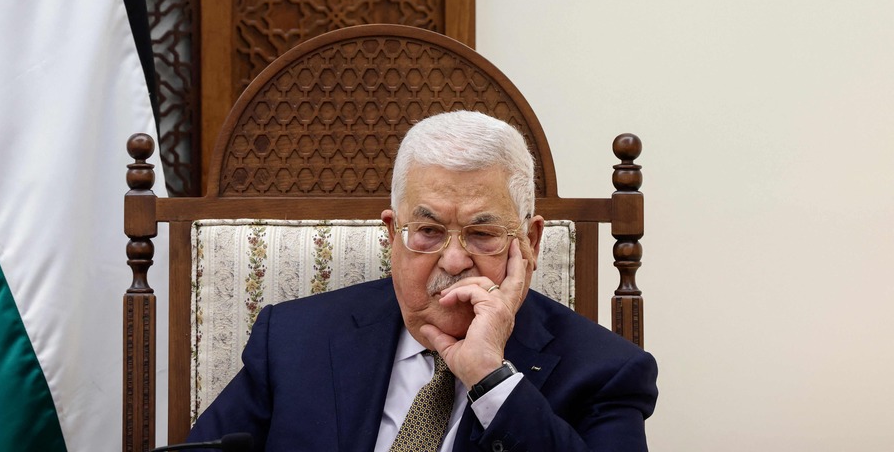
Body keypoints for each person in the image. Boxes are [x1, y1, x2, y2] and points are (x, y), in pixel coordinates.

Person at [186, 111, 658, 451]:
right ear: (393, 233)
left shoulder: (606, 373)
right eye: (429, 232)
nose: (454, 260)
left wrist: (488, 376)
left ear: (529, 241)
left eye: (482, 233)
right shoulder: (292, 340)